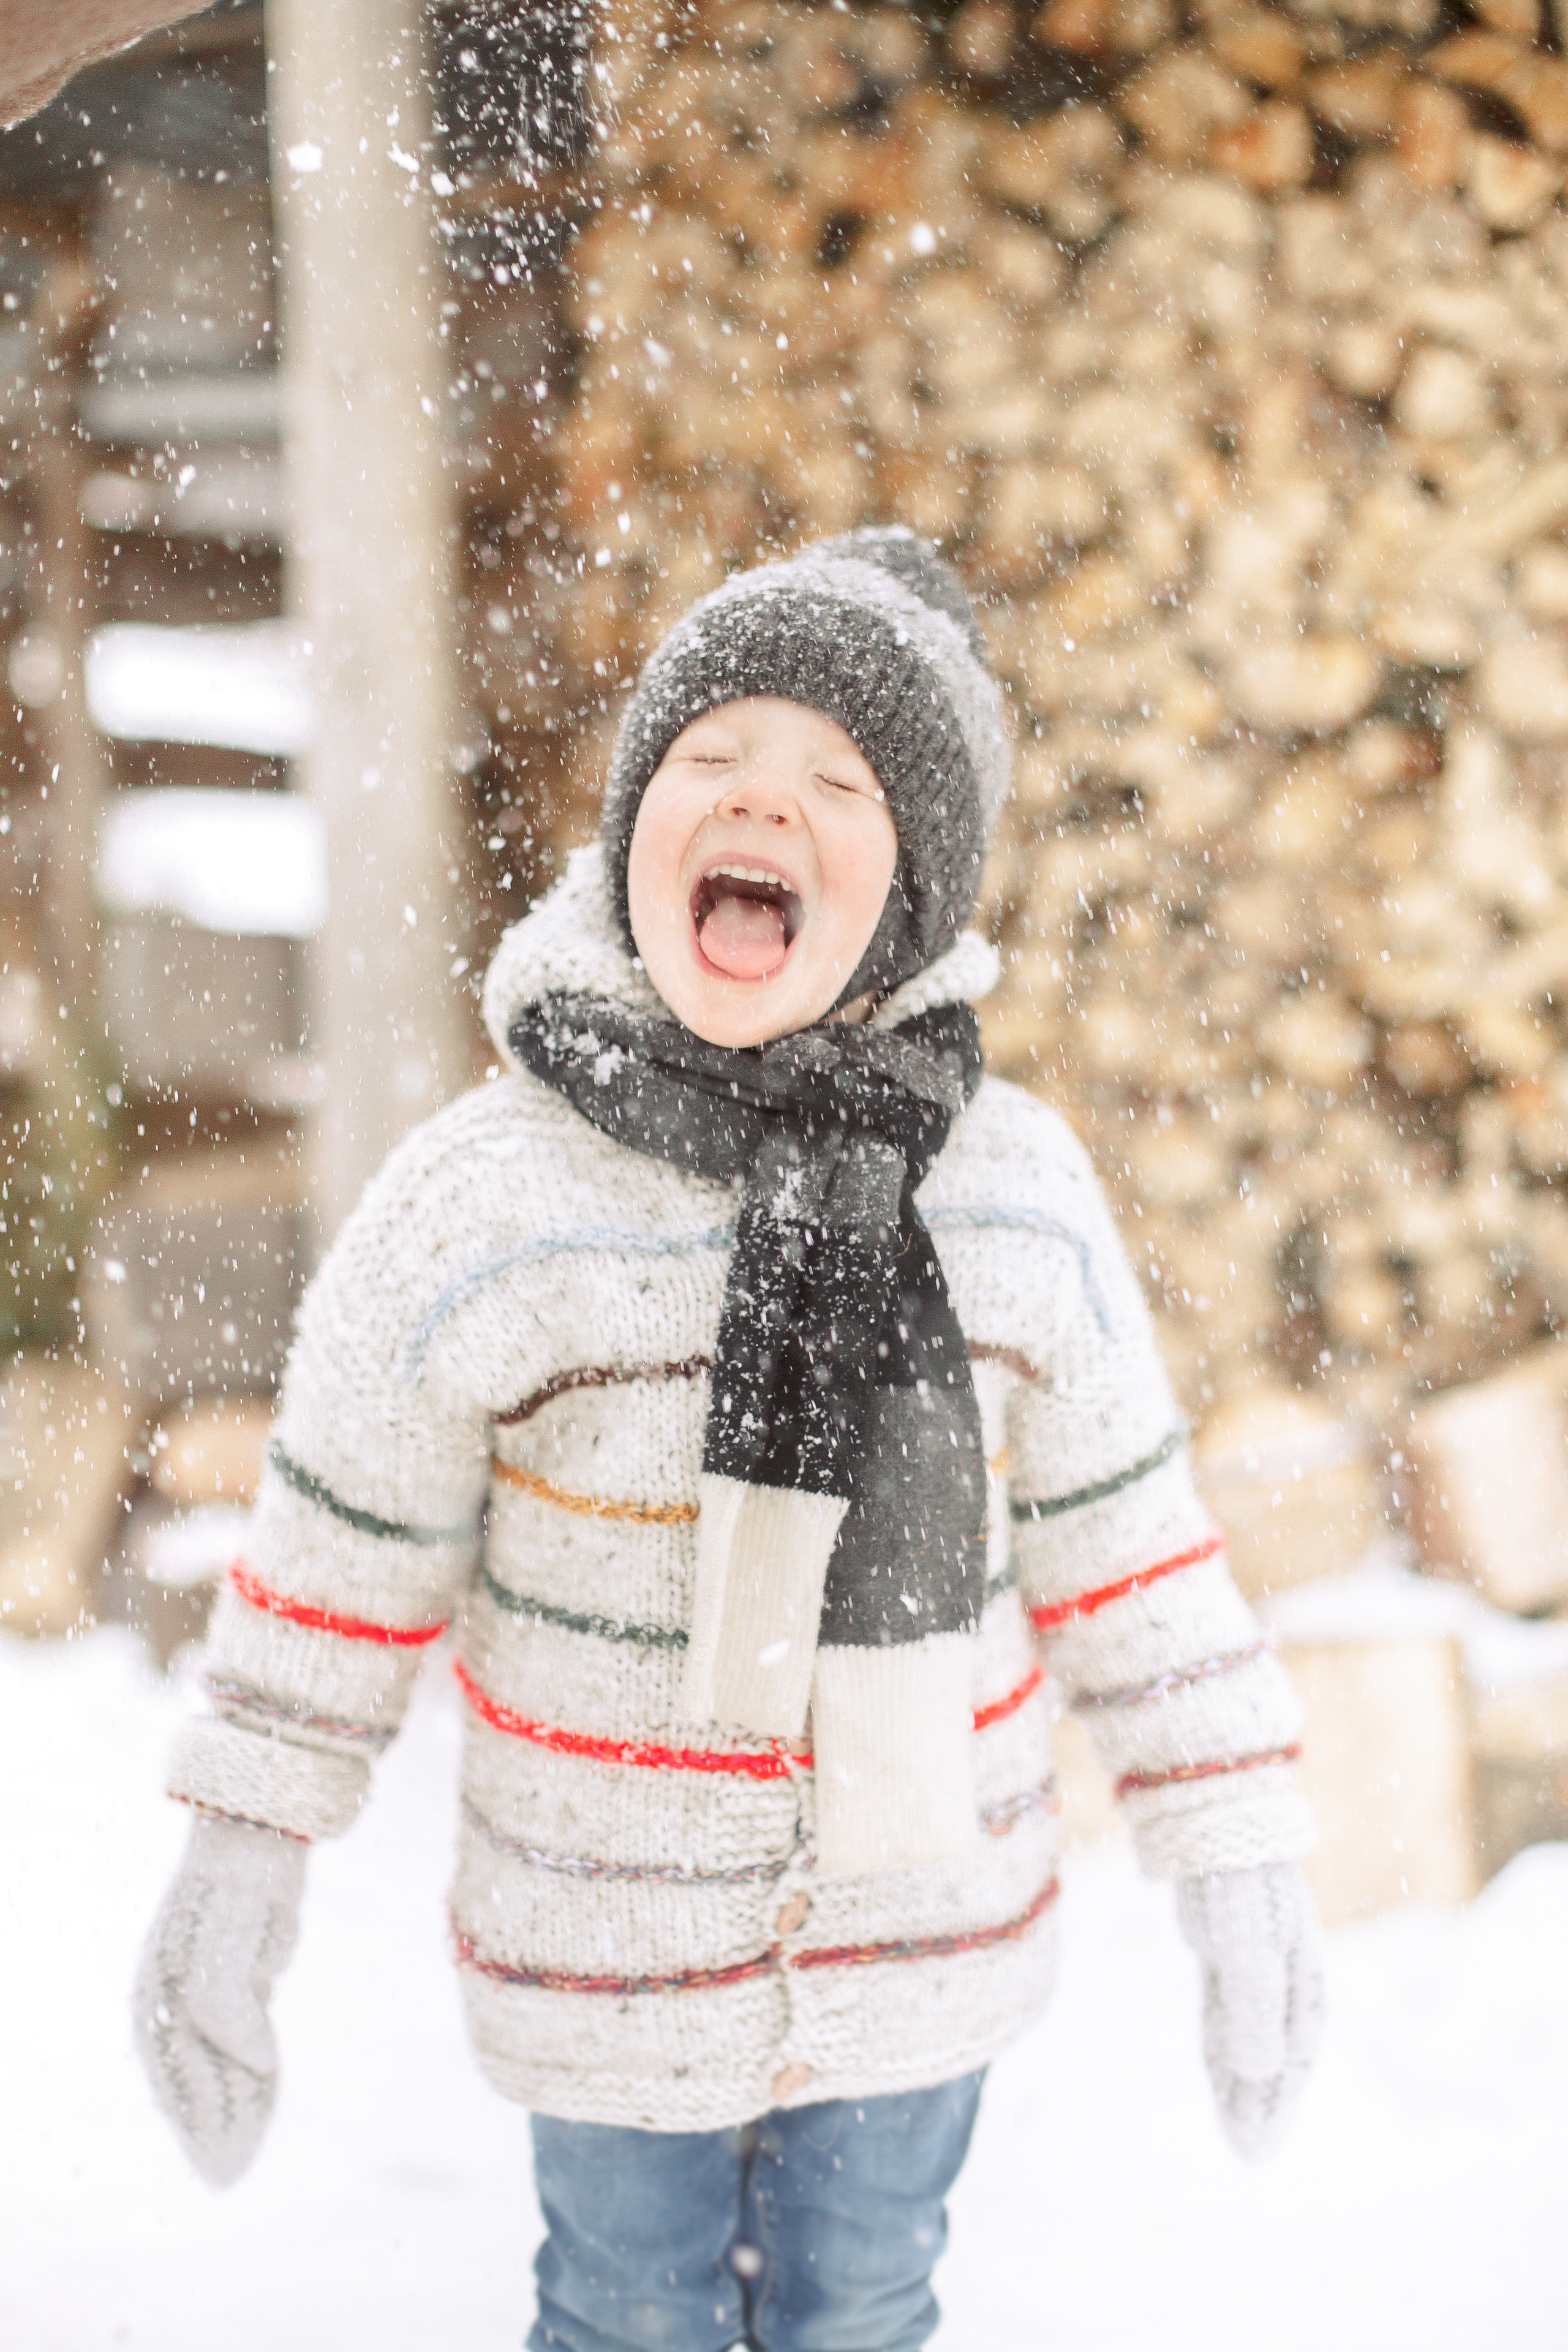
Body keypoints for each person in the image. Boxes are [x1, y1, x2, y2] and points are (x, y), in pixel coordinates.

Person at [134, 529, 1324, 2352]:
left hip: (924, 1930)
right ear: (635, 833)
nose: (764, 796)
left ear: (911, 897)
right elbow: (341, 1550)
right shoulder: (490, 1195)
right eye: (712, 759)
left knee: (866, 2309)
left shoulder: (1009, 1195)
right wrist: (242, 1850)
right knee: (621, 2314)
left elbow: (1130, 1546)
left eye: (838, 784)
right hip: (603, 1943)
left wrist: (1237, 1856)